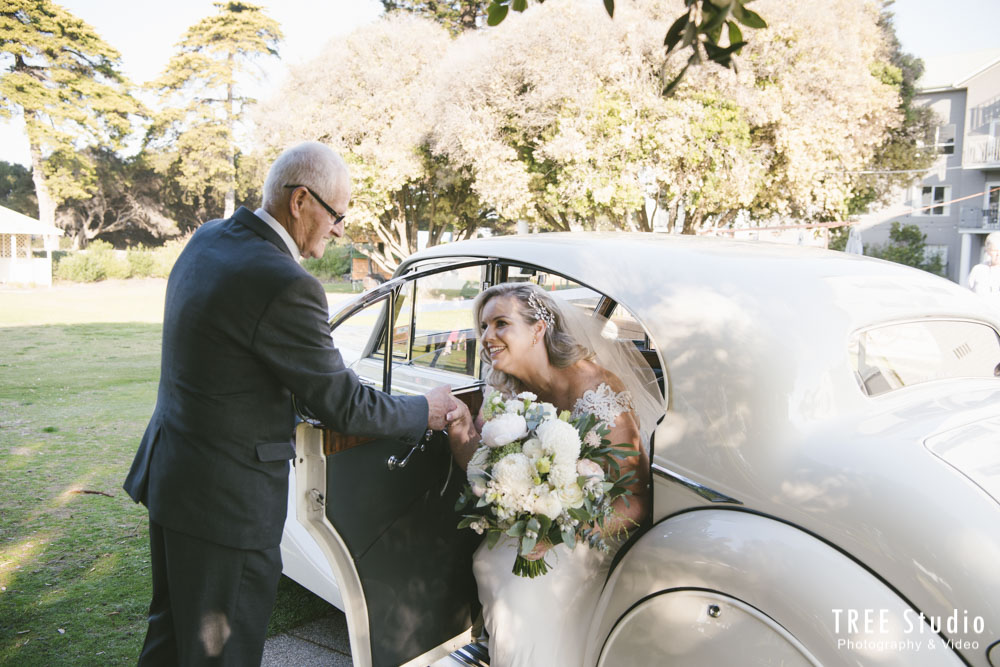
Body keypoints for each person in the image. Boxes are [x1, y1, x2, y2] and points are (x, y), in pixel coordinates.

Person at [123, 141, 456, 665]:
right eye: (336, 214)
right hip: (226, 505)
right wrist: (425, 410)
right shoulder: (285, 281)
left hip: (175, 478)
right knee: (221, 654)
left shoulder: (210, 238)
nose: (340, 229)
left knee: (169, 641)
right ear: (301, 200)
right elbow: (343, 405)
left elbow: (227, 359)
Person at [446, 283, 659, 667]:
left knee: (521, 584)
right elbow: (485, 469)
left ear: (538, 329)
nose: (487, 337)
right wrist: (460, 428)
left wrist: (563, 531)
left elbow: (637, 501)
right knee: (493, 564)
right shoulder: (506, 389)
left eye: (500, 324)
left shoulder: (598, 391)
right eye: (483, 327)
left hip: (595, 529)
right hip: (532, 531)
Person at [968, 232, 1000, 299]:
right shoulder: (978, 269)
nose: (998, 254)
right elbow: (967, 293)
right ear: (988, 251)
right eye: (995, 250)